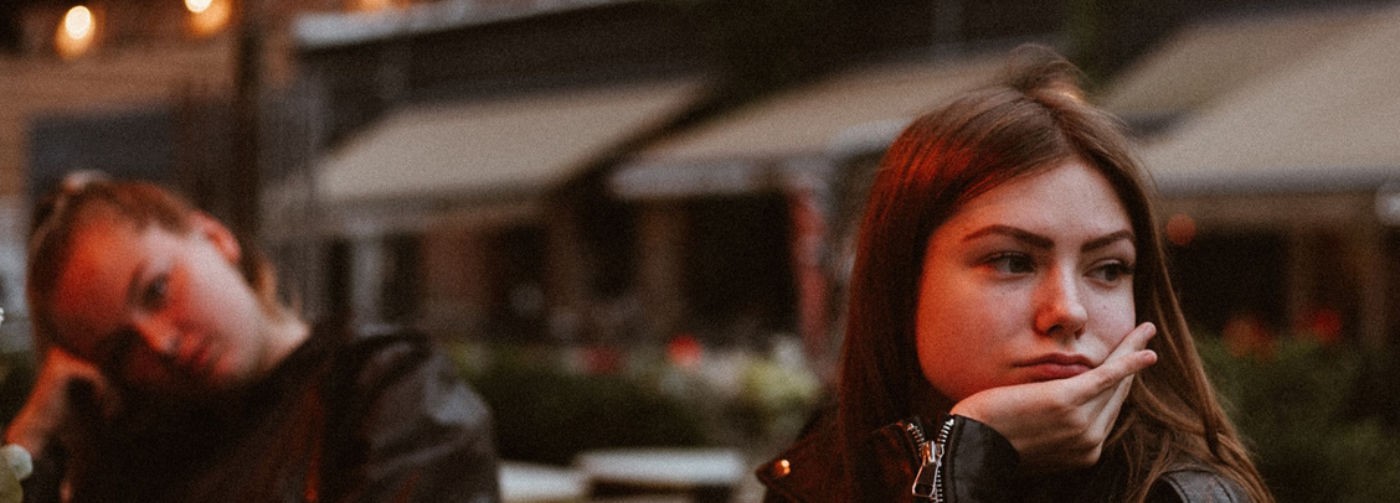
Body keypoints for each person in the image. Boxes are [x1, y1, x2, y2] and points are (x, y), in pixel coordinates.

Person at [755, 46, 1274, 502]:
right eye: (1012, 261)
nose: (1068, 311)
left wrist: (970, 456)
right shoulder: (826, 476)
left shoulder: (1177, 496)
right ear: (902, 282)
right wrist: (961, 461)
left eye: (1108, 268)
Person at [2, 173, 500, 502]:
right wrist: (33, 434)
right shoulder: (148, 455)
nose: (160, 342)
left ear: (215, 238)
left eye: (156, 290)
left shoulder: (385, 388)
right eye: (121, 349)